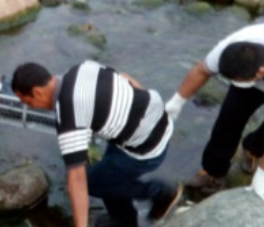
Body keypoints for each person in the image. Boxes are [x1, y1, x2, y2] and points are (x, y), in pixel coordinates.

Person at [165, 23, 264, 203]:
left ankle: (253, 150)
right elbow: (201, 70)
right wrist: (177, 101)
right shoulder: (231, 50)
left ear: (261, 72)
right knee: (228, 120)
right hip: (261, 68)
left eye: (239, 80)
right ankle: (213, 171)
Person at [11, 60, 182, 227]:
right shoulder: (82, 68)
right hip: (157, 117)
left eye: (28, 102)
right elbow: (126, 78)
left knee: (93, 183)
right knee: (107, 175)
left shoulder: (69, 117)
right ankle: (124, 221)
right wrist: (140, 115)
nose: (31, 107)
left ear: (37, 92)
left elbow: (77, 179)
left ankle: (160, 193)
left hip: (148, 149)